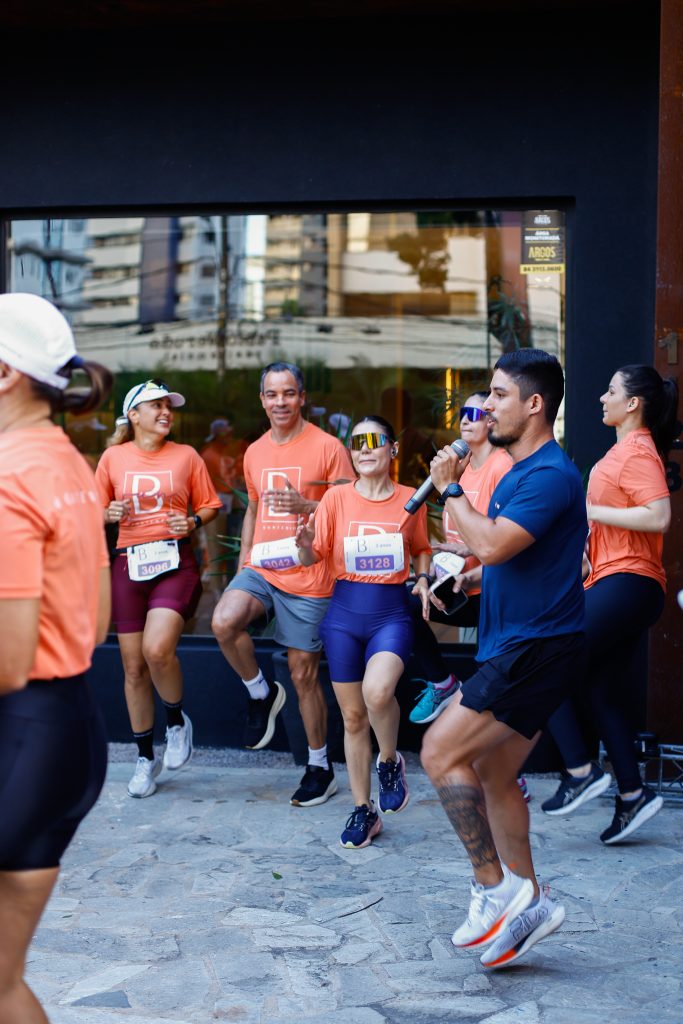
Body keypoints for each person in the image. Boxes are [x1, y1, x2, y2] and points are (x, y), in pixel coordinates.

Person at [421, 349, 587, 970]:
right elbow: (510, 559)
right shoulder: (521, 473)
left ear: (534, 404)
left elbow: (489, 544)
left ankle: (495, 888)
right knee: (492, 773)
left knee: (439, 751)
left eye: (497, 394)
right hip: (524, 643)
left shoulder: (549, 475)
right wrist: (466, 583)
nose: (485, 407)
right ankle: (529, 903)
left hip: (535, 649)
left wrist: (450, 487)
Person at [0, 293, 113, 1023]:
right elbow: (95, 625)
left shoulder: (9, 474)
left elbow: (8, 661)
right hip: (67, 733)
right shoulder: (69, 463)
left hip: (22, 736)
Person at [542, 364, 678, 843]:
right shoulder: (624, 451)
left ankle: (580, 771)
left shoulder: (637, 450)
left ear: (633, 403)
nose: (602, 397)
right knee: (599, 689)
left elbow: (658, 516)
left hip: (628, 582)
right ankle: (632, 795)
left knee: (546, 656)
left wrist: (587, 510)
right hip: (618, 582)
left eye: (611, 390)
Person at [211, 362, 354, 807]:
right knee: (223, 621)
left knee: (302, 674)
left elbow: (352, 507)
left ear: (302, 397)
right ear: (262, 400)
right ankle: (260, 692)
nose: (280, 402)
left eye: (288, 393)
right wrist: (243, 562)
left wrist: (306, 505)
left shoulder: (328, 447)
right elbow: (253, 511)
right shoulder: (254, 452)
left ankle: (319, 766)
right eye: (272, 394)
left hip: (310, 572)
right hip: (262, 567)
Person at [295, 416, 432, 848]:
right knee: (353, 718)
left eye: (375, 441)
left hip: (390, 613)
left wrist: (423, 578)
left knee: (377, 692)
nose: (365, 449)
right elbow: (311, 556)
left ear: (393, 448)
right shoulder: (335, 498)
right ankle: (363, 810)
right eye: (357, 443)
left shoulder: (411, 498)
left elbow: (422, 549)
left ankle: (389, 762)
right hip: (343, 616)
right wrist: (304, 544)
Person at [95, 379, 222, 799]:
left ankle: (176, 722)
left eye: (169, 406)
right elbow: (92, 510)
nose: (166, 412)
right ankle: (145, 758)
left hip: (174, 562)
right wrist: (107, 512)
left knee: (156, 649)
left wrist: (193, 521)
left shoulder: (186, 456)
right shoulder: (113, 458)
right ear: (133, 415)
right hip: (128, 563)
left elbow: (210, 504)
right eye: (156, 405)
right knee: (133, 668)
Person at [408, 392, 512, 725]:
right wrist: (434, 569)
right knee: (404, 602)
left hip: (491, 589)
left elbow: (505, 537)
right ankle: (442, 684)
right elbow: (456, 534)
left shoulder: (502, 467)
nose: (465, 419)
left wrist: (469, 561)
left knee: (490, 682)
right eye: (463, 413)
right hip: (456, 586)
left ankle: (497, 751)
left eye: (475, 413)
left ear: (491, 420)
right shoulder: (461, 470)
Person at [199, 418, 247, 593]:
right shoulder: (208, 454)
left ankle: (232, 587)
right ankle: (217, 590)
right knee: (216, 548)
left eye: (230, 433)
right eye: (225, 433)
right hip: (216, 506)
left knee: (234, 546)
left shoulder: (234, 450)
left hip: (235, 504)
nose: (229, 436)